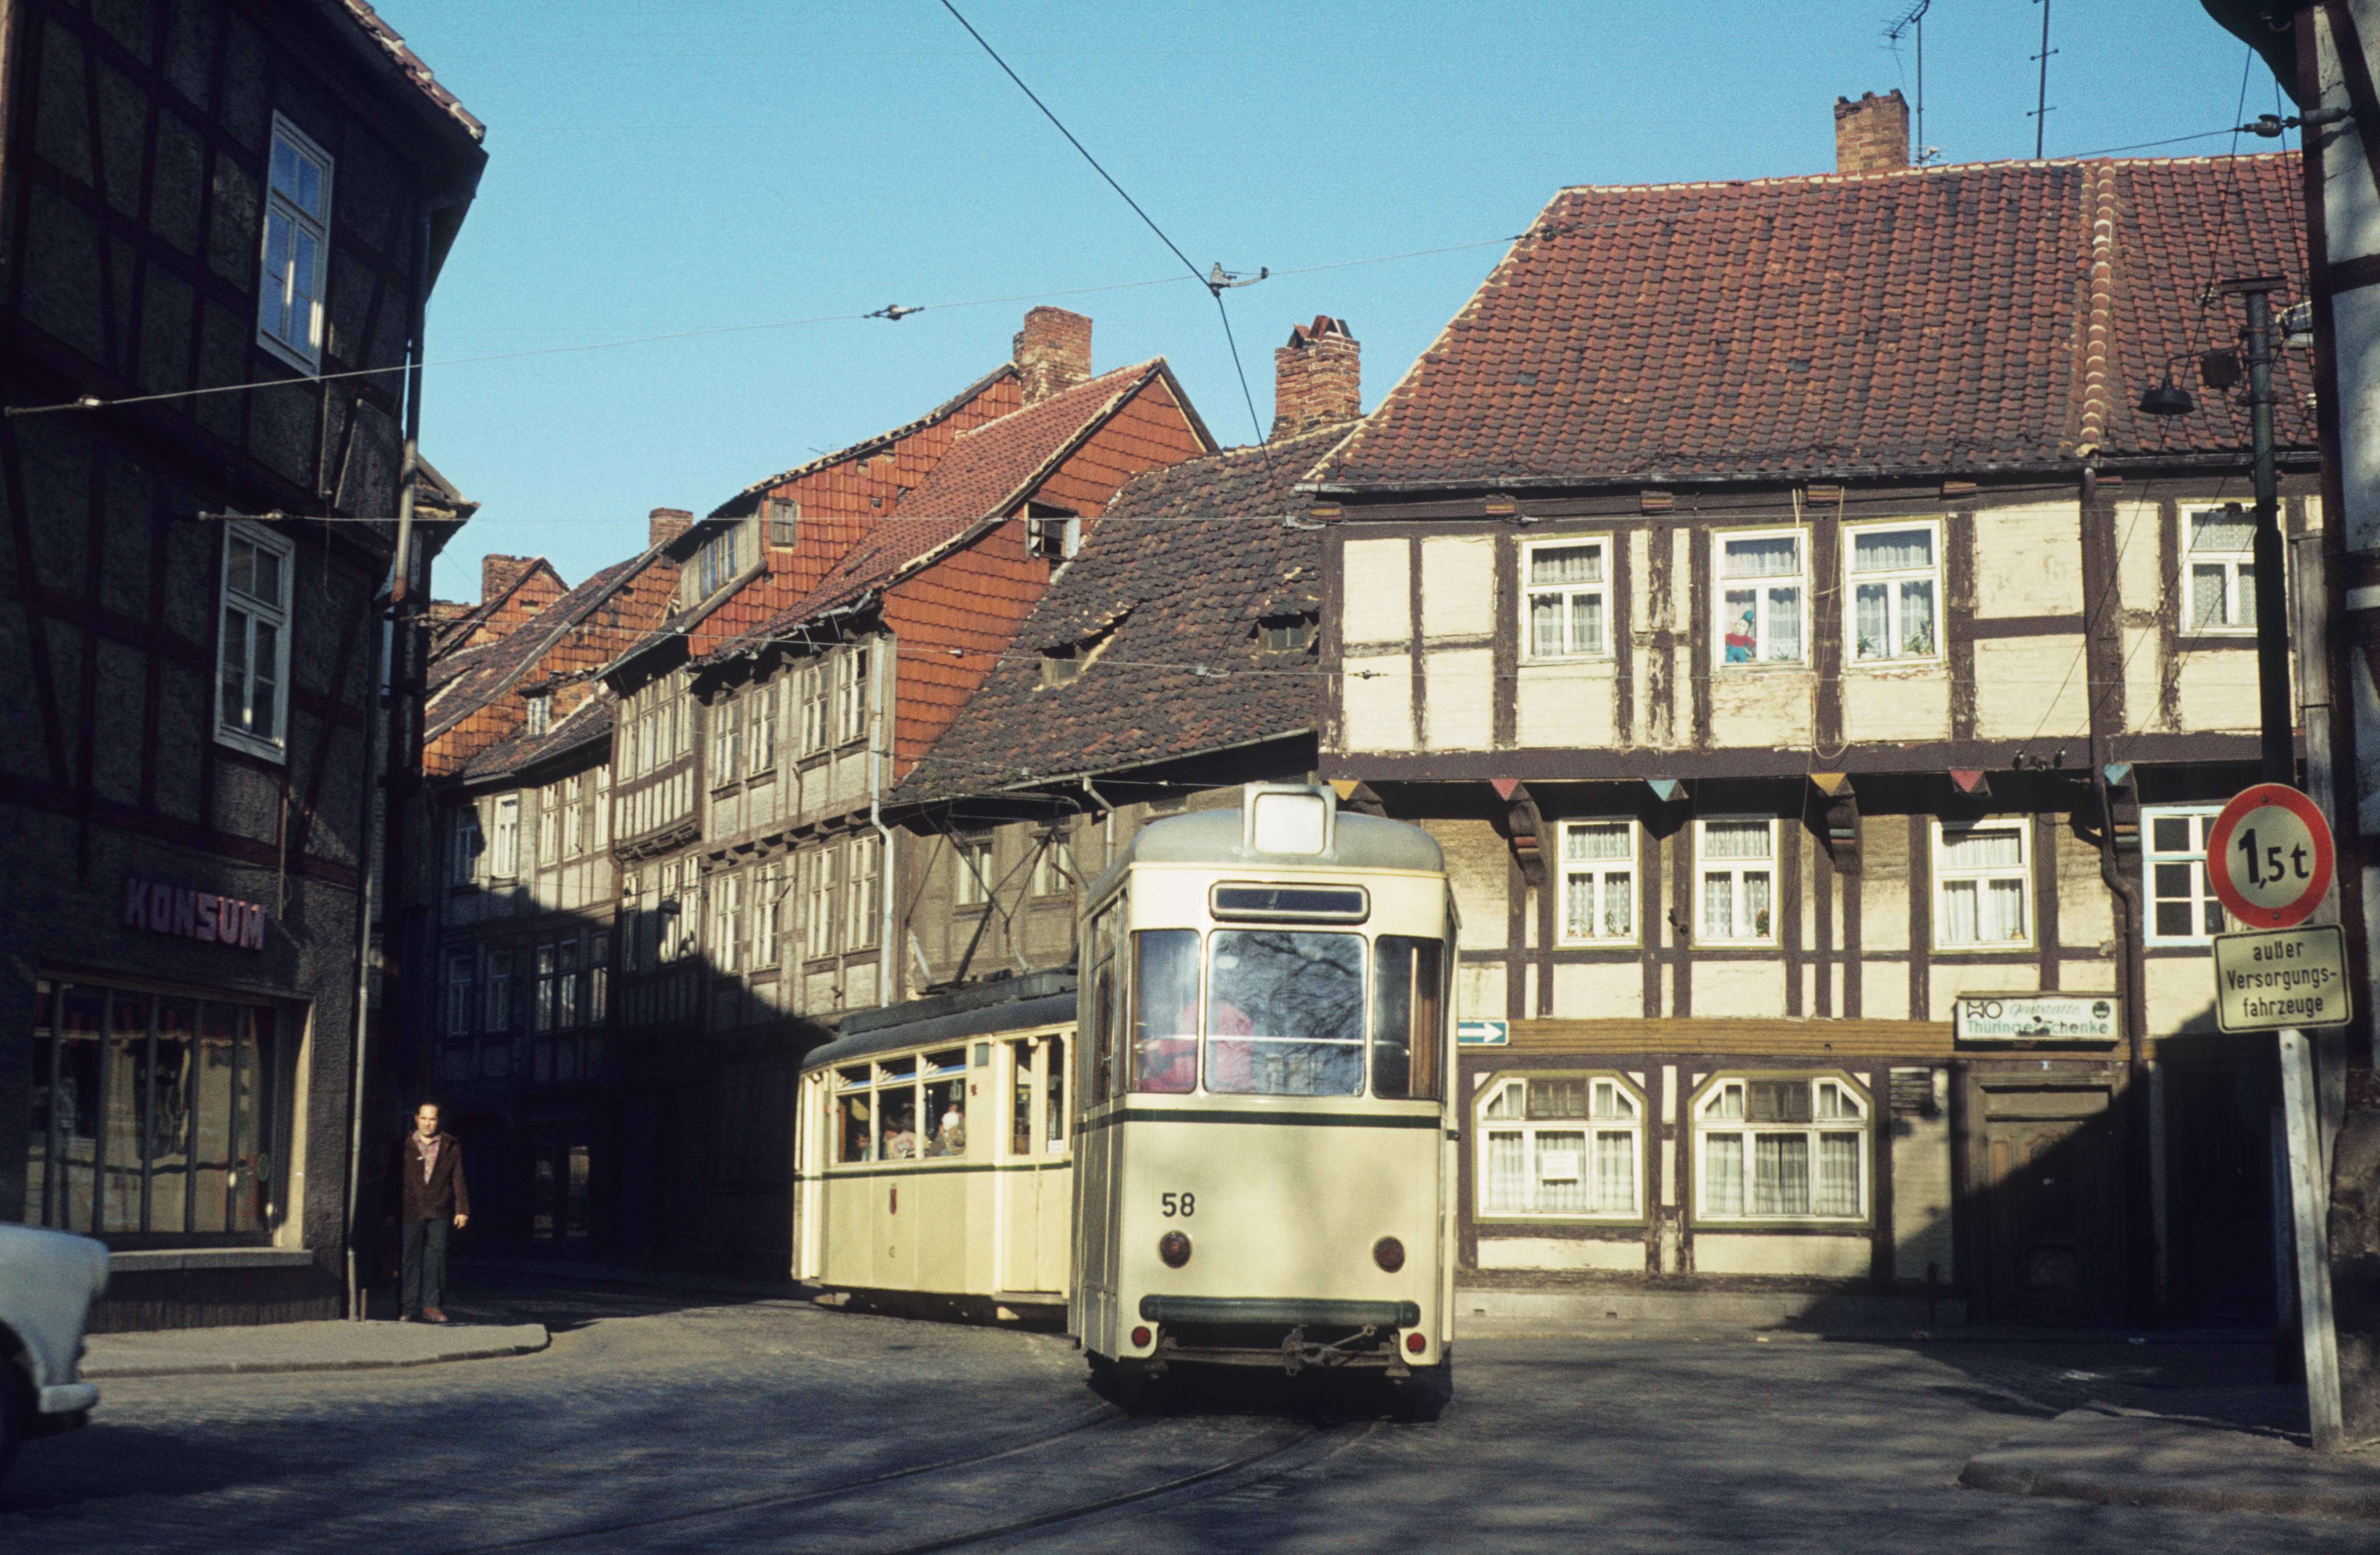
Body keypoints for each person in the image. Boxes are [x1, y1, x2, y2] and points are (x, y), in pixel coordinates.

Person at [391, 1103, 469, 1323]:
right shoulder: (404, 1145)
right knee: (409, 1260)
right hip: (410, 1210)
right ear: (416, 1119)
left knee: (437, 1259)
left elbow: (459, 1179)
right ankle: (407, 1308)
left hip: (440, 1209)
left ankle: (432, 1307)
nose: (428, 1123)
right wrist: (389, 1209)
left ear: (439, 1121)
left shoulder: (450, 1145)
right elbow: (392, 1178)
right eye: (424, 1119)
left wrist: (462, 1209)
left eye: (433, 1119)